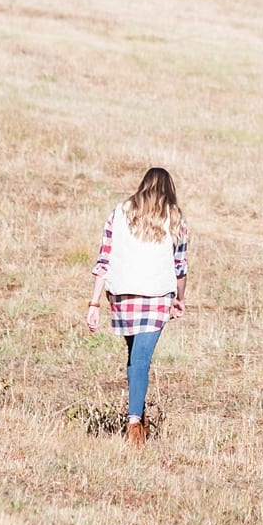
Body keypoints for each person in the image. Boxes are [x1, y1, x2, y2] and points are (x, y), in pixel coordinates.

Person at [85, 167, 189, 449]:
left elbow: (103, 260)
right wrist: (180, 298)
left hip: (123, 296)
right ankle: (134, 424)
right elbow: (180, 267)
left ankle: (137, 419)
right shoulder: (175, 217)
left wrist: (94, 303)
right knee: (141, 358)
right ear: (169, 189)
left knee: (134, 357)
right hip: (156, 296)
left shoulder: (119, 213)